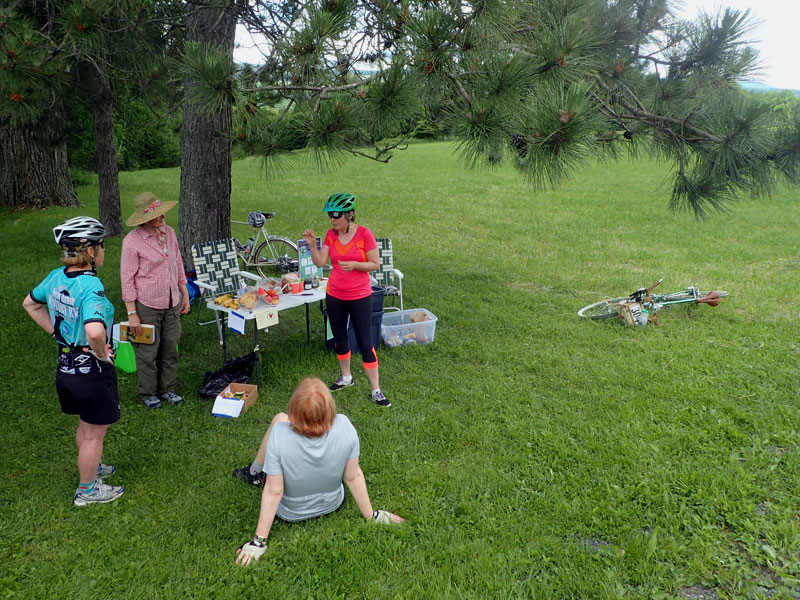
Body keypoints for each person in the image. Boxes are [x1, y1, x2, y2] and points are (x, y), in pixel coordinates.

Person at [232, 377, 404, 566]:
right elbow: (353, 476)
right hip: (331, 503)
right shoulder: (345, 426)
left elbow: (275, 491)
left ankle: (255, 472)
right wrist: (372, 516)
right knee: (281, 421)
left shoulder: (279, 434)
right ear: (330, 408)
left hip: (291, 512)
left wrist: (259, 541)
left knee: (278, 419)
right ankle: (255, 472)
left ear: (294, 411)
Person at [22, 217, 125, 506]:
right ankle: (88, 490)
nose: (103, 251)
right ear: (90, 251)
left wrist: (57, 333)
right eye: (101, 246)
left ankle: (91, 467)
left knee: (85, 425)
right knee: (94, 435)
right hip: (91, 372)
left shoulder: (57, 277)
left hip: (66, 368)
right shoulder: (90, 287)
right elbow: (94, 330)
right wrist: (102, 354)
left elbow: (30, 303)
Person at [303, 193, 390, 407]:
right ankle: (346, 377)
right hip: (335, 295)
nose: (332, 219)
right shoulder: (331, 235)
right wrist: (312, 246)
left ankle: (376, 390)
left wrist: (355, 265)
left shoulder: (364, 234)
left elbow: (375, 264)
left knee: (365, 343)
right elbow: (320, 262)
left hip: (360, 296)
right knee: (339, 339)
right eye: (330, 215)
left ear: (349, 215)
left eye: (336, 215)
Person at [120, 192, 190, 409]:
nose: (164, 217)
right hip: (146, 306)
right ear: (145, 218)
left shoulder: (169, 233)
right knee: (147, 352)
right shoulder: (132, 242)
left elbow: (177, 263)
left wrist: (184, 292)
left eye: (163, 212)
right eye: (158, 214)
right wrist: (132, 314)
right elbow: (127, 280)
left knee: (170, 348)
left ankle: (168, 389)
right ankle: (148, 393)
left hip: (172, 302)